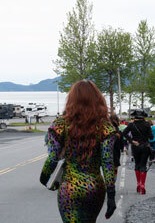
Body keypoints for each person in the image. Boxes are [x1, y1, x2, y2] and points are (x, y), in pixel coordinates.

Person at [39, 80, 117, 222]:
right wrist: (111, 193)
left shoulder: (60, 125)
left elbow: (53, 157)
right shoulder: (105, 127)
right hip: (94, 187)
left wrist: (44, 178)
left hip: (70, 188)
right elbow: (107, 162)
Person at [122, 109, 153, 195]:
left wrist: (131, 141)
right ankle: (143, 184)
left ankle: (138, 184)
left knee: (137, 164)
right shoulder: (147, 124)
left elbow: (124, 133)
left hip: (135, 146)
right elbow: (151, 137)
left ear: (134, 116)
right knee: (143, 165)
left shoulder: (131, 125)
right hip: (145, 146)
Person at [110, 113, 123, 181]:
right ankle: (112, 184)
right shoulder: (119, 132)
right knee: (115, 170)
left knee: (107, 169)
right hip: (116, 153)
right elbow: (121, 146)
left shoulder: (105, 131)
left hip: (106, 153)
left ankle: (108, 183)